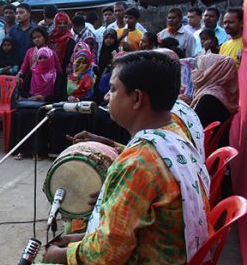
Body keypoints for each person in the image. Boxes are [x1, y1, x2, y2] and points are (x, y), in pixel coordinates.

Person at [42, 51, 210, 264]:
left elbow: (106, 255)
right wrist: (84, 239)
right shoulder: (174, 132)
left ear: (137, 98)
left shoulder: (138, 165)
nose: (106, 96)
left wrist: (59, 255)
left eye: (113, 89)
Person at [189, 54, 239, 147]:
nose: (194, 72)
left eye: (199, 67)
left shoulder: (209, 99)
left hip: (204, 150)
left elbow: (191, 129)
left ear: (212, 71)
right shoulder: (223, 92)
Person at [16, 26, 59, 98]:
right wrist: (19, 74)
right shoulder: (30, 51)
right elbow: (24, 66)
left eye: (39, 36)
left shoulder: (51, 53)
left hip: (48, 83)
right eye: (34, 38)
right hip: (32, 81)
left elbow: (58, 69)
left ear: (44, 37)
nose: (36, 39)